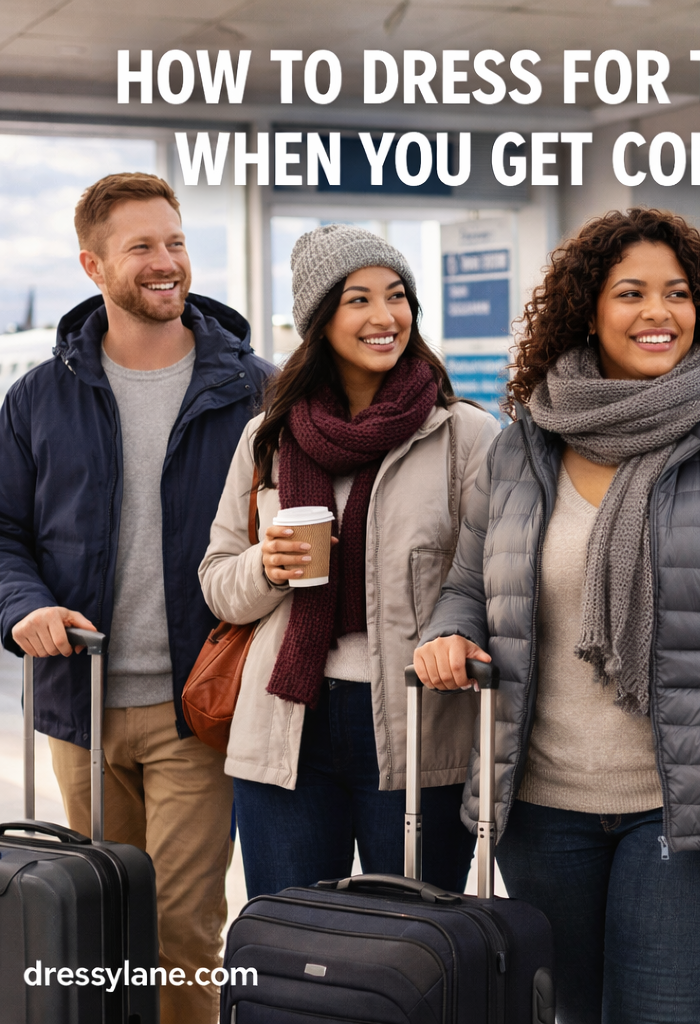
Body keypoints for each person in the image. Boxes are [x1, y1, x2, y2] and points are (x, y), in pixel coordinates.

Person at [414, 207, 700, 1024]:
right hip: (543, 812)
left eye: (678, 293)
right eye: (631, 293)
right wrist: (449, 631)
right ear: (588, 311)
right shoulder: (524, 445)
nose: (659, 312)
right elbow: (470, 585)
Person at [0, 172, 274, 1024]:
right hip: (78, 703)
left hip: (199, 705)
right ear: (93, 265)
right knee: (94, 927)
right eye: (143, 247)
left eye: (176, 242)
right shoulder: (39, 398)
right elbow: (5, 534)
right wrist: (25, 607)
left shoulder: (255, 391)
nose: (167, 262)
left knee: (180, 930)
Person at [199, 224, 499, 898]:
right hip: (285, 725)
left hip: (416, 726)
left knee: (414, 940)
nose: (384, 316)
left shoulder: (464, 436)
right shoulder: (268, 436)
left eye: (396, 296)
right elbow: (218, 582)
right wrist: (267, 567)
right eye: (358, 299)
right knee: (292, 939)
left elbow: (492, 578)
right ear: (319, 320)